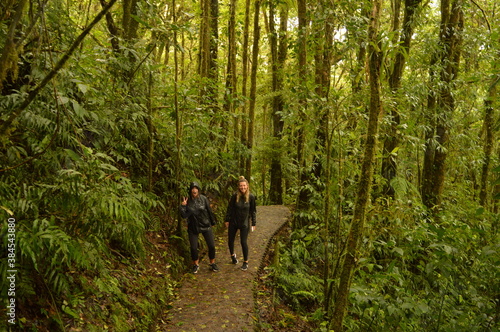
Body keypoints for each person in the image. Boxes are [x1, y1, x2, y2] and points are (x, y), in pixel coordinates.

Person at [180, 181, 219, 273]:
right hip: (193, 227)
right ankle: (195, 264)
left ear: (198, 190)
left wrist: (213, 222)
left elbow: (209, 211)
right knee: (193, 248)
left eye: (196, 188)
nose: (194, 190)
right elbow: (184, 216)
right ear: (190, 190)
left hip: (205, 225)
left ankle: (212, 263)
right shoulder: (187, 201)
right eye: (193, 188)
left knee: (212, 246)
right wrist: (182, 206)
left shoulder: (203, 199)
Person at [225, 176, 256, 271]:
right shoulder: (235, 196)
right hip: (234, 221)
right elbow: (229, 208)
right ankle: (233, 256)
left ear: (247, 186)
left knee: (243, 242)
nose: (242, 187)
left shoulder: (251, 197)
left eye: (244, 186)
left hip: (244, 222)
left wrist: (253, 223)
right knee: (230, 240)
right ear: (238, 186)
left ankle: (245, 262)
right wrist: (227, 220)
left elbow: (253, 211)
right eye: (241, 186)